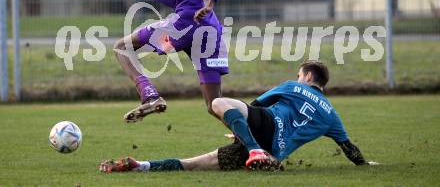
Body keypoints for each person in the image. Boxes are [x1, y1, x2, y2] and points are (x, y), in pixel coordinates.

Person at [100, 61, 379, 172]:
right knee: (202, 163)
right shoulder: (332, 116)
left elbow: (255, 104)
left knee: (218, 102)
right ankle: (141, 166)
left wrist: (240, 128)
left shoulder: (294, 86)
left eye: (299, 74)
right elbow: (349, 150)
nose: (298, 78)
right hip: (276, 151)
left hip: (264, 125)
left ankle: (254, 149)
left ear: (307, 76)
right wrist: (366, 164)